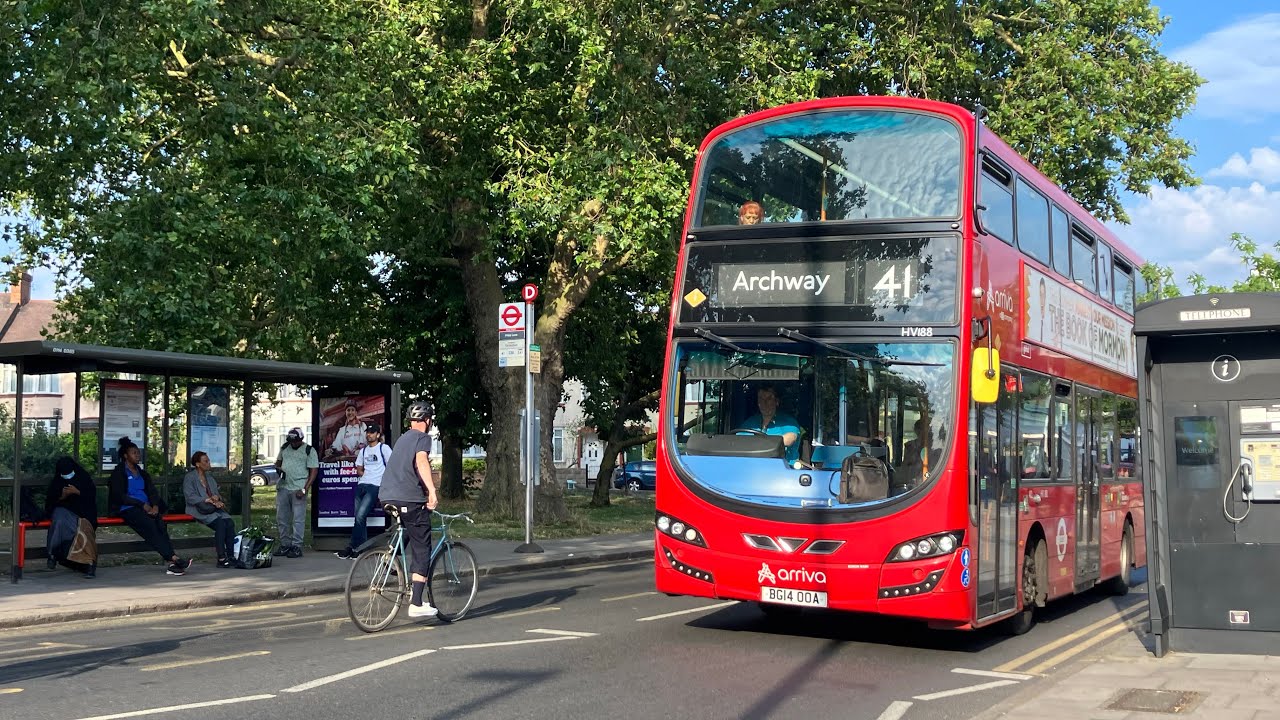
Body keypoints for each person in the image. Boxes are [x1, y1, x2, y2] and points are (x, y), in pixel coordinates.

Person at [379, 400, 440, 618]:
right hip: (408, 498)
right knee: (422, 545)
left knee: (408, 526)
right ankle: (416, 603)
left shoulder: (402, 439)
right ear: (427, 420)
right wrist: (432, 491)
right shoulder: (423, 437)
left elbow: (408, 467)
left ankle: (390, 558)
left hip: (386, 495)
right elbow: (421, 462)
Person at [107, 437, 191, 576]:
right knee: (149, 526)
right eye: (134, 453)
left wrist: (155, 505)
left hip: (147, 508)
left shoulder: (142, 473)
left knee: (160, 525)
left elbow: (152, 491)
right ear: (125, 456)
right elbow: (119, 496)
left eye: (138, 452)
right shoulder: (119, 473)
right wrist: (141, 505)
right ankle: (173, 558)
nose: (137, 455)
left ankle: (172, 563)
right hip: (128, 508)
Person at [336, 422, 391, 559]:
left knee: (360, 516)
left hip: (375, 486)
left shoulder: (384, 448)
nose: (369, 435)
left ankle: (354, 547)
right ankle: (360, 548)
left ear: (378, 435)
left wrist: (381, 479)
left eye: (372, 433)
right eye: (368, 432)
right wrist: (366, 474)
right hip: (362, 485)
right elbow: (358, 469)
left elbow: (392, 466)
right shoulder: (364, 451)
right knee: (359, 518)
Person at [183, 451, 239, 568]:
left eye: (208, 461)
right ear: (198, 464)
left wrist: (216, 498)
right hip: (198, 508)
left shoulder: (209, 477)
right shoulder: (190, 477)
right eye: (206, 461)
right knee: (220, 524)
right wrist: (206, 499)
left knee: (229, 522)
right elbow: (190, 497)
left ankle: (231, 556)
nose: (209, 463)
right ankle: (221, 558)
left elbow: (216, 493)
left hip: (212, 507)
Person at [44, 456, 98, 578]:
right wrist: (62, 496)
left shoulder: (83, 478)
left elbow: (91, 498)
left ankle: (88, 562)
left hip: (83, 514)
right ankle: (54, 553)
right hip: (64, 512)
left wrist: (78, 492)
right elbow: (50, 505)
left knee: (83, 528)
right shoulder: (57, 482)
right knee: (59, 519)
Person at [274, 427, 318, 558]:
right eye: (291, 441)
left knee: (298, 519)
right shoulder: (285, 447)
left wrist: (305, 488)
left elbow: (313, 471)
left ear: (301, 439)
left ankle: (296, 546)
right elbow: (278, 462)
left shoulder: (309, 450)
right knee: (282, 518)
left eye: (296, 441)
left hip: (299, 488)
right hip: (284, 486)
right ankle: (285, 544)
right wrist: (278, 469)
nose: (293, 443)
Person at [739, 385, 801, 464]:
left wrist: (758, 445)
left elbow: (789, 439)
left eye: (769, 399)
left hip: (783, 470)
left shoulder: (788, 422)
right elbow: (739, 441)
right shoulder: (750, 422)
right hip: (752, 467)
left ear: (776, 401)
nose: (764, 402)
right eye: (760, 399)